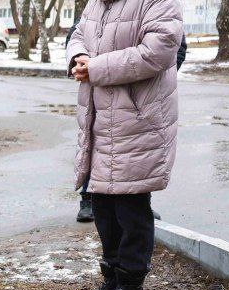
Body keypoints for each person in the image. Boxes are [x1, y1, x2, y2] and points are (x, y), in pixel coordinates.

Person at [67, 0, 182, 290]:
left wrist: (96, 68)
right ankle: (113, 279)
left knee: (131, 208)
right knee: (102, 207)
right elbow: (79, 33)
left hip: (138, 119)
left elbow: (160, 50)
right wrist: (78, 56)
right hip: (101, 121)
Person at [75, 33, 186, 223]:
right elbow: (77, 36)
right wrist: (79, 60)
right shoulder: (94, 12)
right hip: (100, 95)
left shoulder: (158, 12)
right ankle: (88, 199)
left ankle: (139, 206)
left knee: (135, 160)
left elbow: (168, 47)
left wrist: (154, 77)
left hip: (140, 97)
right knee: (97, 150)